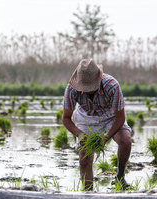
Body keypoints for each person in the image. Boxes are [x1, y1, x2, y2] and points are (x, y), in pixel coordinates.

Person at [62, 59, 132, 191]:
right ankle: (89, 193)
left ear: (98, 79)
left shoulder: (112, 85)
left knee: (126, 140)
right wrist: (79, 133)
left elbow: (120, 117)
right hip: (86, 117)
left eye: (91, 87)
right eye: (85, 87)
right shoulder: (72, 88)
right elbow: (66, 118)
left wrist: (106, 137)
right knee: (84, 158)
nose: (88, 90)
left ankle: (120, 177)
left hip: (110, 115)